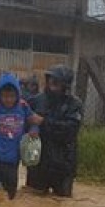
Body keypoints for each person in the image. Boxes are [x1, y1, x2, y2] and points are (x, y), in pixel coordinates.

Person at [26, 64, 83, 197]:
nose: (52, 83)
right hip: (38, 164)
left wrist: (43, 122)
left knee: (63, 205)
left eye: (57, 81)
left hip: (63, 166)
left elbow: (70, 130)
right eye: (50, 79)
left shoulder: (74, 105)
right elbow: (20, 118)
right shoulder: (35, 101)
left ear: (65, 85)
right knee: (32, 205)